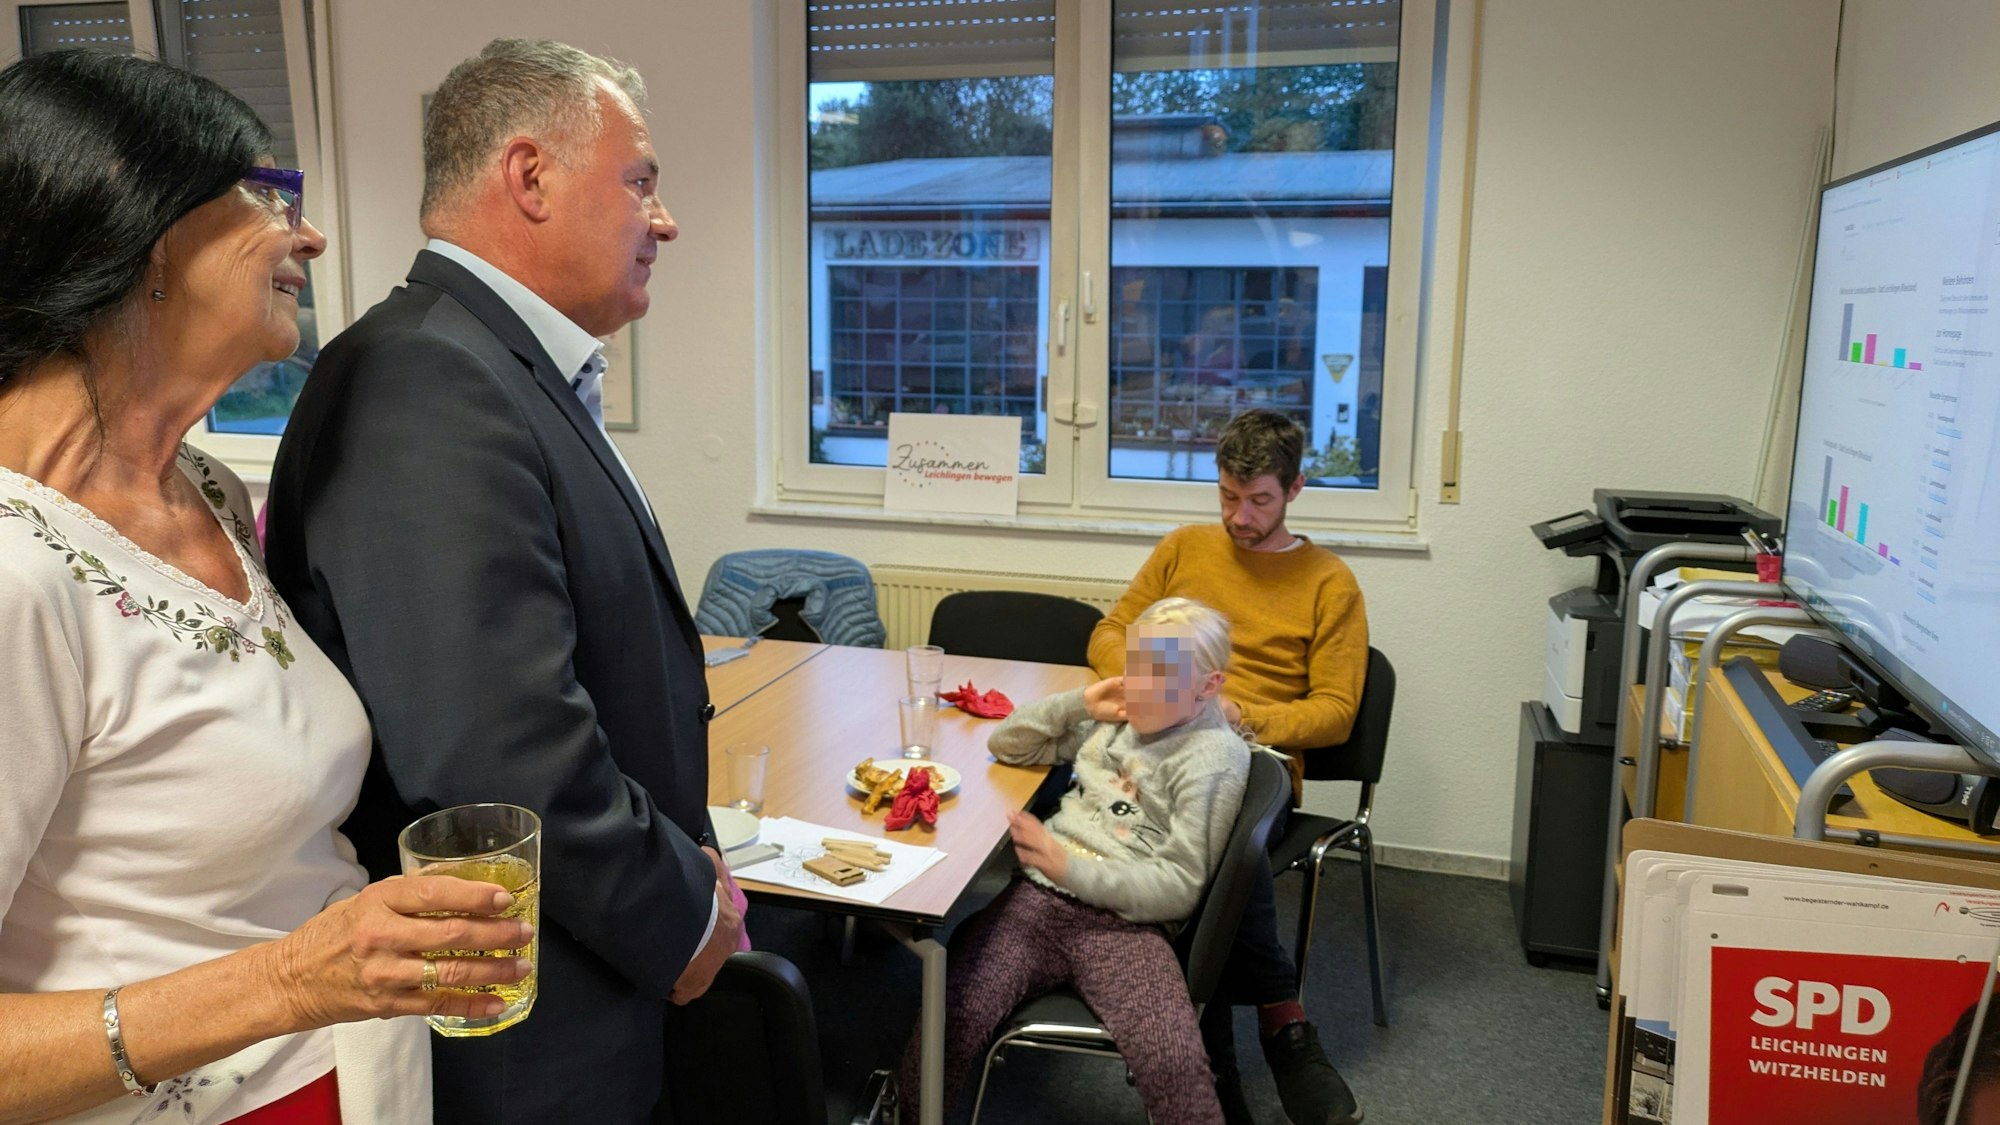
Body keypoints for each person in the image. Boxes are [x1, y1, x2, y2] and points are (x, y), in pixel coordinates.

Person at [0, 50, 530, 1125]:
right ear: (140, 226)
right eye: (263, 191)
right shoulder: (13, 569)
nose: (309, 233)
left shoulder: (204, 487)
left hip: (352, 1075)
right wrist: (290, 979)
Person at [264, 38, 740, 1123]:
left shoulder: (494, 363)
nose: (661, 221)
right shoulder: (426, 378)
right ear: (528, 176)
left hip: (572, 966)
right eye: (641, 182)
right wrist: (678, 912)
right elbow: (493, 745)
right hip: (520, 1016)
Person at [1088, 408, 1368, 1125]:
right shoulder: (1185, 548)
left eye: (1259, 500)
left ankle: (1220, 1069)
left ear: (1297, 488)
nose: (1240, 517)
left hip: (1257, 762)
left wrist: (1241, 714)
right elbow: (1110, 631)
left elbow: (1336, 710)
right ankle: (1285, 1027)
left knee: (1208, 832)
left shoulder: (1330, 582)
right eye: (1227, 496)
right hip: (1158, 749)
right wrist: (1159, 685)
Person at [900, 597, 1251, 1123]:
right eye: (1135, 667)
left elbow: (1179, 885)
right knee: (955, 1015)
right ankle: (904, 1111)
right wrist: (1082, 703)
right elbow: (1008, 742)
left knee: (1175, 1060)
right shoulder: (1120, 716)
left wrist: (1070, 868)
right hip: (1038, 902)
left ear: (1208, 686)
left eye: (1162, 675)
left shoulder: (1213, 757)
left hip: (1126, 926)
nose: (1140, 685)